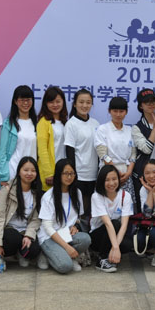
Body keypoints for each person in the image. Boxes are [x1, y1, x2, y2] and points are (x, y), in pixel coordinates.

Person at [37, 159, 91, 274]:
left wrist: (75, 226)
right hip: (50, 237)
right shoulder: (49, 197)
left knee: (86, 239)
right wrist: (67, 247)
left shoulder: (77, 193)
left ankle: (66, 256)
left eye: (72, 173)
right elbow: (47, 227)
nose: (69, 177)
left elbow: (77, 218)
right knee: (65, 266)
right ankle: (47, 254)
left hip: (67, 234)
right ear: (58, 175)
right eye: (65, 173)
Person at [0, 156, 43, 270]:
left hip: (24, 231)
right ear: (19, 171)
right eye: (25, 170)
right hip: (8, 230)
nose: (29, 173)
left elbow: (35, 219)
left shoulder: (36, 193)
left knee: (34, 249)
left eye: (33, 170)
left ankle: (21, 253)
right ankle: (1, 256)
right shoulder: (7, 190)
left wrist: (28, 235)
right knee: (13, 238)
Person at [89, 164, 134, 272]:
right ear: (101, 181)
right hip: (97, 236)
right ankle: (102, 259)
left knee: (128, 244)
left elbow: (124, 225)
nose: (111, 183)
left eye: (114, 179)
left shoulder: (125, 196)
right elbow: (108, 224)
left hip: (114, 234)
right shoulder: (97, 196)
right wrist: (115, 248)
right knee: (114, 223)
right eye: (107, 180)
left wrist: (115, 248)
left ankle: (111, 255)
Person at [64, 88, 100, 222]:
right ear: (75, 104)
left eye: (88, 102)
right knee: (79, 210)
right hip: (79, 174)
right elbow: (69, 151)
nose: (85, 105)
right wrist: (72, 174)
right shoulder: (71, 124)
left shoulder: (96, 124)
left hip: (94, 174)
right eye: (81, 102)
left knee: (91, 210)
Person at [94, 96, 136, 201]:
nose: (118, 114)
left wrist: (129, 172)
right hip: (108, 173)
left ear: (126, 112)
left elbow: (133, 154)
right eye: (115, 111)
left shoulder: (129, 130)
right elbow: (103, 154)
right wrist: (116, 172)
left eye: (121, 111)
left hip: (125, 175)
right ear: (109, 111)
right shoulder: (102, 129)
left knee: (125, 203)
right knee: (106, 203)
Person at [0, 85, 37, 191]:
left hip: (31, 175)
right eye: (22, 100)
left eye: (28, 100)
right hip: (12, 172)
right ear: (15, 101)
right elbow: (2, 153)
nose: (25, 103)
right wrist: (4, 176)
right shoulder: (8, 124)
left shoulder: (37, 123)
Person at [131, 88, 155, 208]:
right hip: (142, 174)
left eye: (153, 101)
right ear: (140, 106)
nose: (151, 104)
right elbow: (146, 149)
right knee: (144, 208)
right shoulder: (137, 128)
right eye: (146, 102)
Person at [37, 86, 68, 191]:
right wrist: (48, 173)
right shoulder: (43, 122)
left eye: (58, 101)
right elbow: (42, 150)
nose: (55, 105)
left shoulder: (65, 122)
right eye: (51, 102)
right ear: (46, 104)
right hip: (50, 173)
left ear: (63, 102)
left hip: (63, 171)